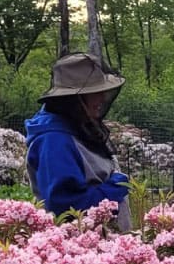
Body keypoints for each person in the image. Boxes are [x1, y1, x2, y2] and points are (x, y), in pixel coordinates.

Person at [25, 52, 131, 231]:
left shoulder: (77, 125)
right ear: (72, 99)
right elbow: (66, 207)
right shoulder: (54, 141)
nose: (102, 99)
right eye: (94, 93)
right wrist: (115, 187)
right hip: (82, 250)